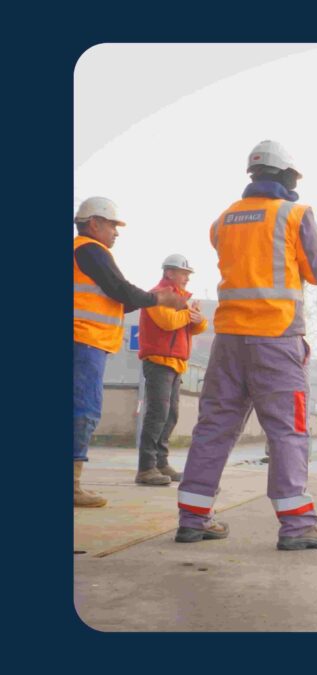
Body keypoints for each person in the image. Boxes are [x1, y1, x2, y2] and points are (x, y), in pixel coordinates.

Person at [175, 140, 317, 550]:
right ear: (287, 176)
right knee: (287, 431)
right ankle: (299, 526)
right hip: (276, 337)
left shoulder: (223, 220)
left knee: (213, 427)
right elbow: (316, 273)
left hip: (229, 340)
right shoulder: (296, 213)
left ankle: (193, 518)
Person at [74, 197, 187, 508]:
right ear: (94, 223)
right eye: (112, 225)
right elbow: (121, 290)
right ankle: (72, 484)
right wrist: (159, 299)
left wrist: (152, 299)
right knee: (83, 411)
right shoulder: (90, 249)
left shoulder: (84, 254)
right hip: (84, 340)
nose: (116, 232)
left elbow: (120, 301)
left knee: (81, 410)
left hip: (87, 342)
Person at [135, 254, 209, 486]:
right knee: (158, 414)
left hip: (175, 363)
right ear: (169, 273)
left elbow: (192, 329)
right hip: (159, 362)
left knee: (170, 415)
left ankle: (160, 463)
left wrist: (198, 319)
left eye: (188, 274)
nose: (187, 278)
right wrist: (189, 315)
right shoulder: (158, 295)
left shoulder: (180, 300)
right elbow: (168, 322)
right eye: (184, 273)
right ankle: (146, 468)